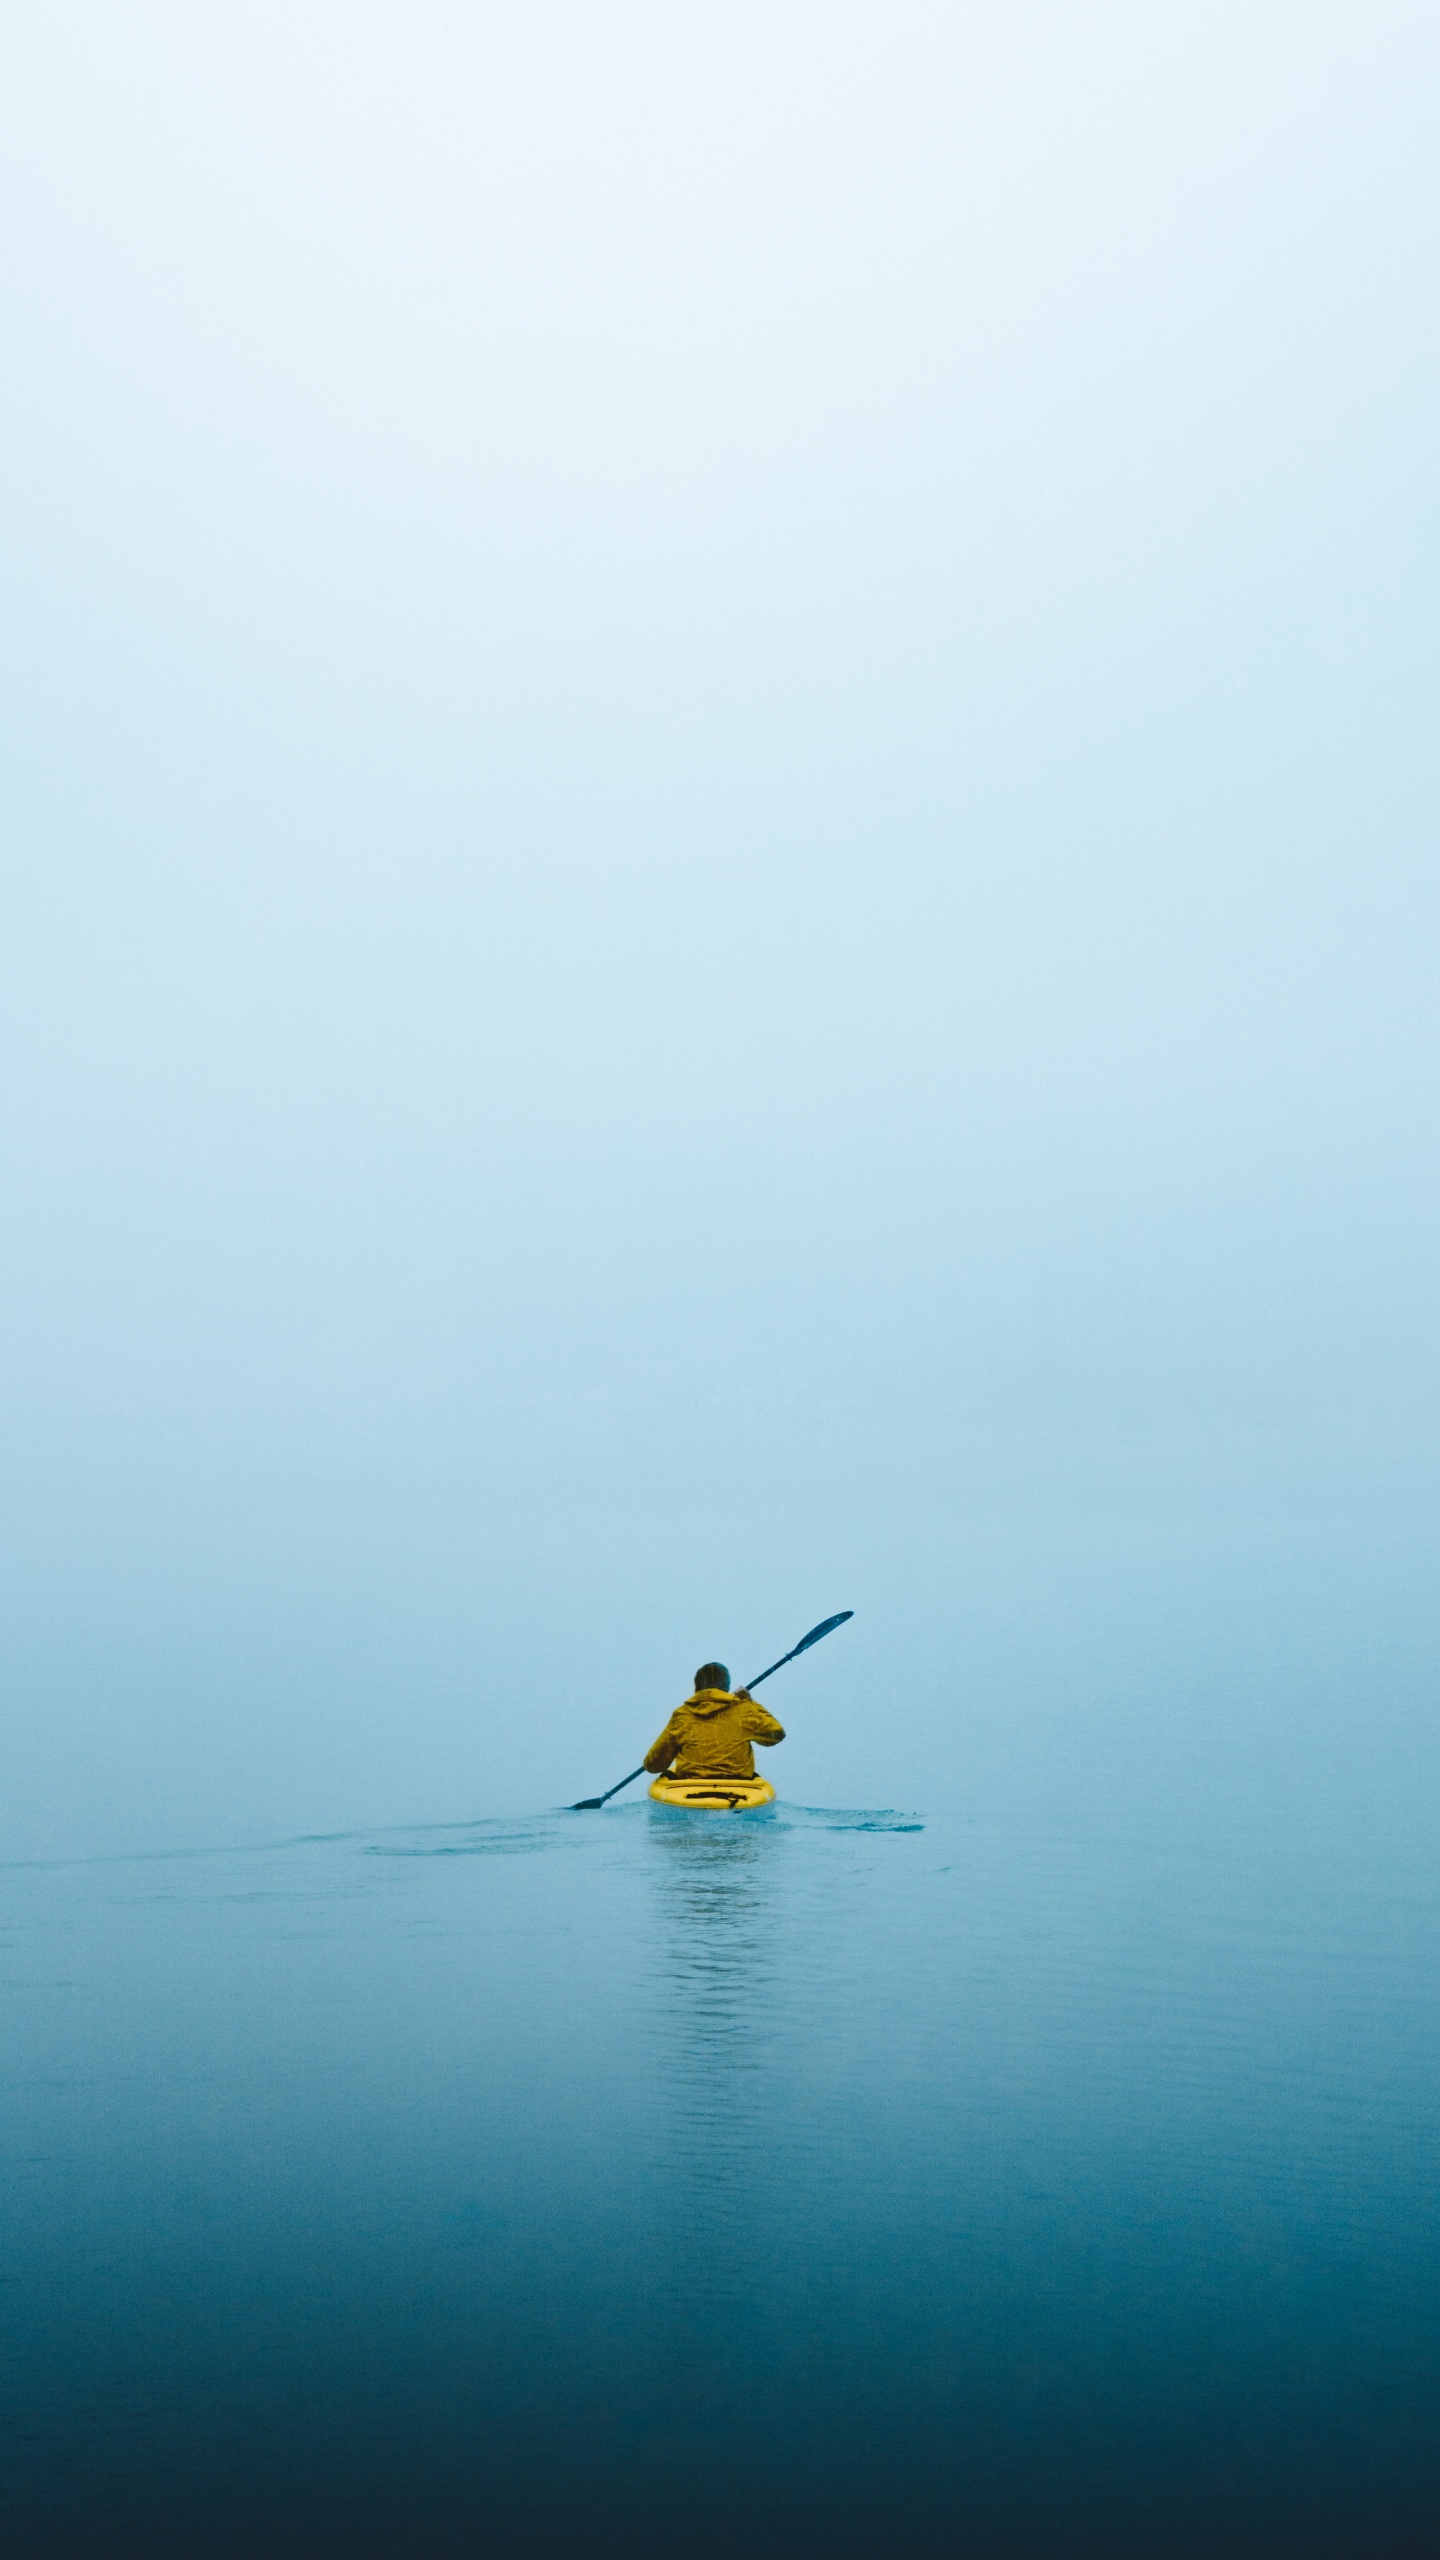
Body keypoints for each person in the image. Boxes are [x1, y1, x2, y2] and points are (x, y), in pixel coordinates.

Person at [643, 1662, 785, 1782]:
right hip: (738, 1787)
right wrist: (749, 1702)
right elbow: (777, 1734)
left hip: (690, 1789)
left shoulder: (682, 1715)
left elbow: (653, 1765)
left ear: (696, 1688)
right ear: (726, 1689)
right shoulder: (743, 1709)